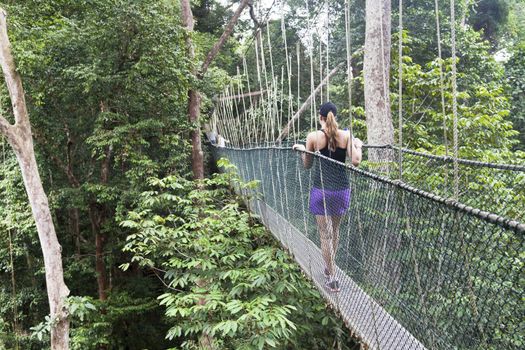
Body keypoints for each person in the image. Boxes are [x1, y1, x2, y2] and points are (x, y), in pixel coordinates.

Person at [293, 102, 362, 292]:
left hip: (321, 190)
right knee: (336, 231)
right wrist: (358, 146)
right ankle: (330, 269)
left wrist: (302, 150)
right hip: (341, 190)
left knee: (325, 234)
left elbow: (307, 165)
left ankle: (332, 277)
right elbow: (356, 161)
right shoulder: (347, 136)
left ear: (320, 117)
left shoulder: (313, 137)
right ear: (335, 116)